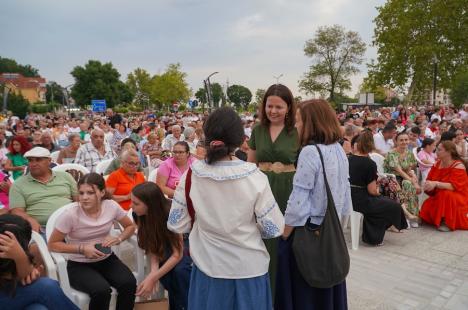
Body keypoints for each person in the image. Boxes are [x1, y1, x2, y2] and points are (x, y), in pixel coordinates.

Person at [168, 107, 284, 309]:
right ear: (240, 139)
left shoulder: (192, 175)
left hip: (208, 269)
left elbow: (178, 224)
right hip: (248, 269)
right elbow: (273, 228)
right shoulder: (254, 176)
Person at [283, 99, 351, 309]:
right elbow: (344, 190)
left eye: (299, 120)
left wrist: (284, 233)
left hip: (310, 231)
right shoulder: (338, 149)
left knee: (305, 292)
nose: (296, 126)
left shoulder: (310, 152)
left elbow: (299, 199)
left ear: (310, 122)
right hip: (331, 230)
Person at [48, 173, 137, 310]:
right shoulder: (70, 214)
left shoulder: (111, 206)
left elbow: (130, 226)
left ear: (102, 192)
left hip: (106, 259)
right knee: (101, 291)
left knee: (129, 283)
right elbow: (52, 244)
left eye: (90, 193)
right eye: (81, 193)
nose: (84, 197)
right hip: (78, 265)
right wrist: (82, 249)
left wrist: (118, 238)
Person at [247, 84, 298, 302]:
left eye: (279, 106)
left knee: (283, 243)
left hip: (289, 190)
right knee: (261, 241)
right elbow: (249, 165)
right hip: (262, 189)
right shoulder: (257, 130)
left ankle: (282, 297)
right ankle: (261, 295)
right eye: (270, 106)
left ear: (288, 108)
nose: (273, 111)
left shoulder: (297, 130)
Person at [131, 182, 192, 310]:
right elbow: (152, 244)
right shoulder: (138, 214)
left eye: (136, 203)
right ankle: (180, 305)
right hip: (164, 244)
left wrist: (153, 277)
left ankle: (186, 305)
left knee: (180, 271)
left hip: (185, 241)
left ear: (150, 205)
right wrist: (154, 272)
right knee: (167, 272)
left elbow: (177, 254)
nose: (132, 207)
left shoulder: (171, 214)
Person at [0, 214, 79, 309]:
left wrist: (22, 259)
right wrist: (21, 259)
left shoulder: (15, 252)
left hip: (10, 294)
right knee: (46, 287)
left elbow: (25, 277)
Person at [349, 130, 407, 245]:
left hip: (349, 197)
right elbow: (372, 191)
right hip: (361, 199)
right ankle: (374, 237)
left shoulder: (348, 159)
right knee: (392, 205)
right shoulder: (369, 164)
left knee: (382, 205)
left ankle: (373, 237)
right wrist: (379, 191)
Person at [9, 147, 78, 233]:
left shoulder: (65, 176)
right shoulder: (18, 184)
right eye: (30, 160)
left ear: (49, 161)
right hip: (42, 229)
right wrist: (29, 219)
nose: (33, 164)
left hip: (73, 225)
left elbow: (78, 200)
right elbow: (17, 211)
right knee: (37, 246)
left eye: (38, 160)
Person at [419, 141, 468, 231]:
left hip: (457, 196)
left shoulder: (458, 166)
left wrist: (435, 184)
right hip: (440, 195)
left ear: (448, 152)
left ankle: (447, 222)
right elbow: (430, 179)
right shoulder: (437, 164)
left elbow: (453, 187)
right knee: (431, 201)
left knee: (446, 194)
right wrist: (428, 185)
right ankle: (439, 218)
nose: (436, 151)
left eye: (439, 150)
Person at [384, 132, 421, 227]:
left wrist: (414, 179)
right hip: (391, 178)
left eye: (406, 140)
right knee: (408, 183)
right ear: (396, 141)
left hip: (404, 177)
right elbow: (399, 171)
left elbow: (409, 169)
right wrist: (413, 181)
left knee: (408, 184)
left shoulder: (409, 153)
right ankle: (405, 216)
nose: (404, 142)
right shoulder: (391, 154)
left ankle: (411, 215)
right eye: (401, 140)